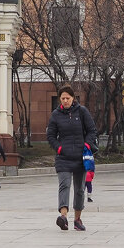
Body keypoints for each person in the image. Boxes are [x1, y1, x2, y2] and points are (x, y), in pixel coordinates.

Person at [46, 85, 96, 231]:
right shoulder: (56, 115)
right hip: (63, 158)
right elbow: (50, 136)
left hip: (81, 158)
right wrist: (59, 148)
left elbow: (92, 130)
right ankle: (63, 217)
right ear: (60, 100)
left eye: (68, 98)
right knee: (64, 186)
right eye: (63, 98)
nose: (65, 101)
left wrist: (86, 144)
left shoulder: (82, 111)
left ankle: (77, 220)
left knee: (80, 189)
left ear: (73, 98)